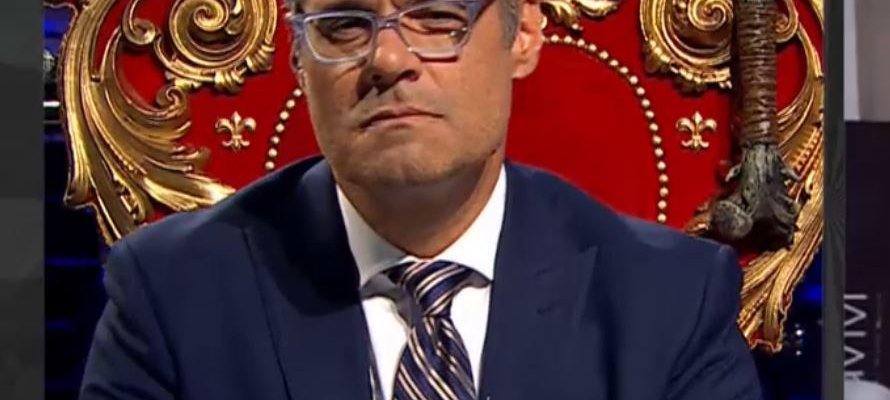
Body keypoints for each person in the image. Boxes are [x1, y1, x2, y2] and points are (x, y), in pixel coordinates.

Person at [79, 0, 762, 398]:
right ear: (298, 61)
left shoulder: (668, 302)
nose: (386, 59)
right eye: (343, 25)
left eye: (437, 17)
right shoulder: (173, 296)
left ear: (523, 34)